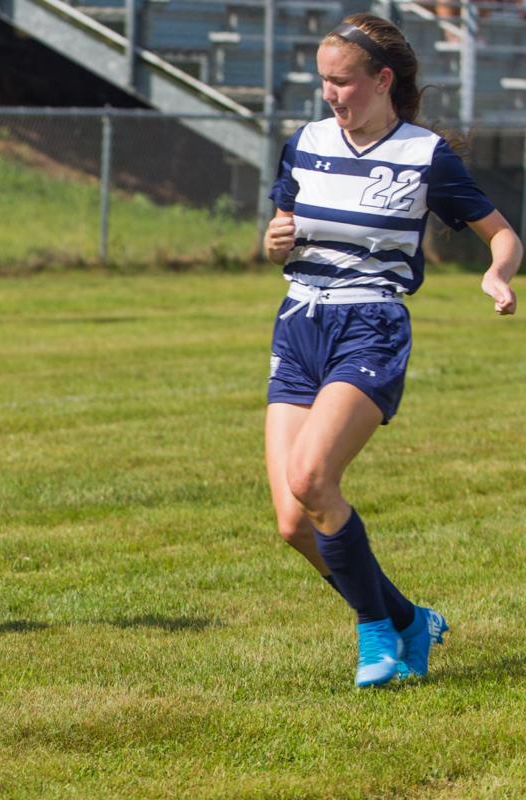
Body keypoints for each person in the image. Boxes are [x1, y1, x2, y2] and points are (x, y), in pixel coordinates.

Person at [262, 13, 521, 686]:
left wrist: (497, 274)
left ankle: (375, 634)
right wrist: (274, 241)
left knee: (311, 480)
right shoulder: (305, 143)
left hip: (370, 325)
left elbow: (502, 234)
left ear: (382, 80)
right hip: (298, 325)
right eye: (323, 81)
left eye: (343, 81)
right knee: (293, 523)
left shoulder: (425, 155)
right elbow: (281, 231)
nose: (331, 94)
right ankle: (410, 619)